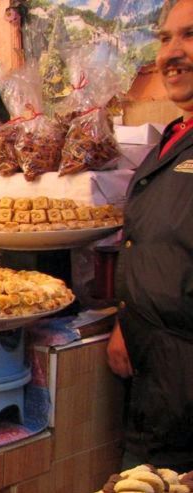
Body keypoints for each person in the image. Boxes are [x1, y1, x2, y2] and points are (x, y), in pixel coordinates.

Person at [107, 0, 193, 471]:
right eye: (165, 38)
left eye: (190, 36)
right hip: (155, 375)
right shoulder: (175, 135)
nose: (172, 53)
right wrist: (129, 319)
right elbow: (162, 246)